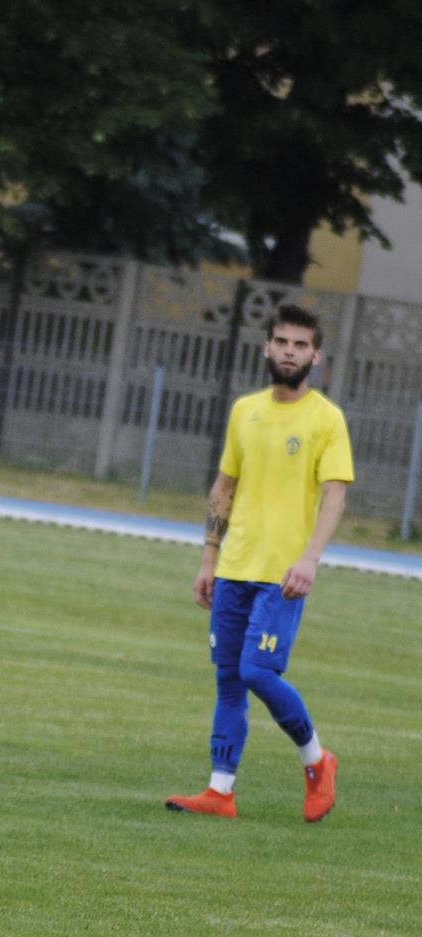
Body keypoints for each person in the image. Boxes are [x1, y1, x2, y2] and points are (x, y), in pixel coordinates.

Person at [165, 303, 352, 822]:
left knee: (257, 670)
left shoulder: (326, 419)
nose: (290, 352)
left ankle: (317, 761)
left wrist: (310, 559)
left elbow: (335, 494)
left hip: (283, 574)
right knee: (229, 677)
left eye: (301, 345)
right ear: (267, 346)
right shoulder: (244, 410)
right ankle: (219, 792)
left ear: (315, 355)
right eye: (283, 342)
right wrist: (209, 558)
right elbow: (226, 486)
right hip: (234, 568)